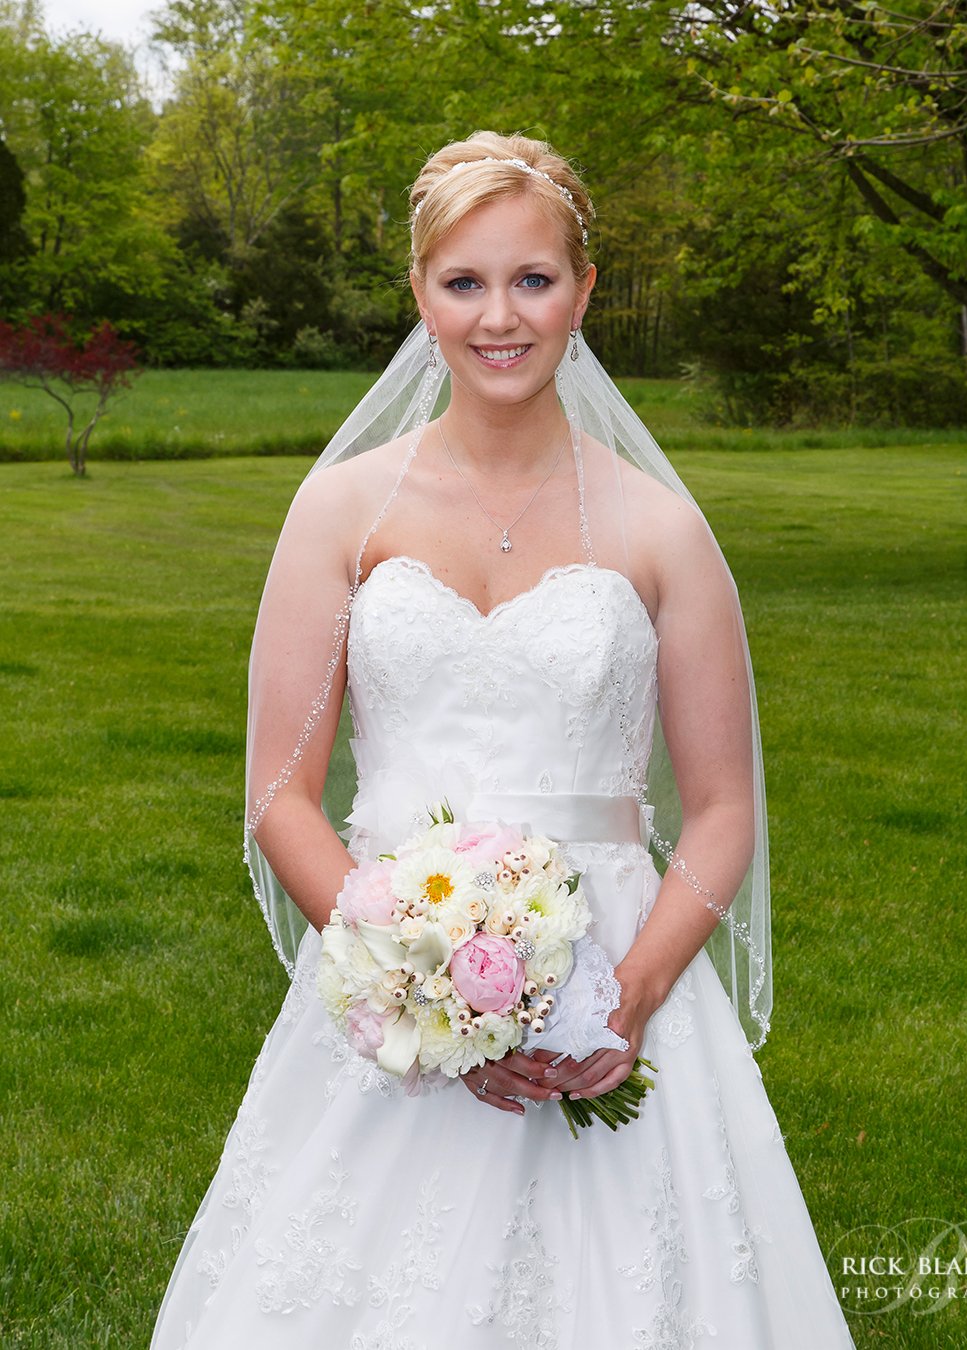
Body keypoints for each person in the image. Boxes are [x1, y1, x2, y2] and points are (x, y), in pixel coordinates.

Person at [150, 131, 856, 1348]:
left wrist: (631, 995)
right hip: (392, 965)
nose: (499, 317)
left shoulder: (661, 530)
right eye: (463, 281)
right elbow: (280, 795)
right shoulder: (342, 511)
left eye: (533, 279)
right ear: (420, 294)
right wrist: (412, 981)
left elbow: (724, 806)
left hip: (614, 974)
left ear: (585, 290)